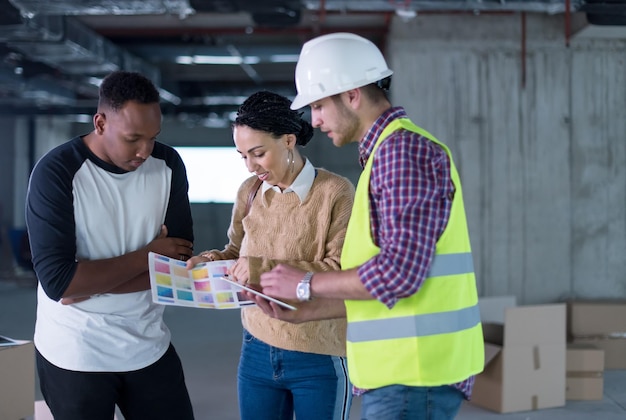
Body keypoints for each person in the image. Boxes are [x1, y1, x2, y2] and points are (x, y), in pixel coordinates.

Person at [258, 33, 484, 419]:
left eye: (318, 105)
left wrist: (303, 283)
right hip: (406, 375)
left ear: (351, 95)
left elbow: (399, 273)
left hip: (414, 376)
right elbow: (386, 284)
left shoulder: (401, 153)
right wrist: (311, 310)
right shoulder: (385, 155)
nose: (314, 120)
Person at [25, 70, 195, 420]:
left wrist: (89, 281)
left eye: (152, 137)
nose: (145, 150)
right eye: (133, 138)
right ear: (100, 123)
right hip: (75, 351)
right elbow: (60, 284)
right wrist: (149, 255)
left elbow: (178, 264)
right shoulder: (56, 173)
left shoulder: (168, 165)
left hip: (148, 343)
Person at [186, 90, 355, 420]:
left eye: (258, 153)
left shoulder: (336, 191)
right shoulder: (249, 192)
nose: (251, 166)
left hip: (317, 351)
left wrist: (260, 269)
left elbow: (338, 271)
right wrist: (208, 261)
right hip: (256, 349)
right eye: (242, 156)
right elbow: (235, 252)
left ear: (289, 140)